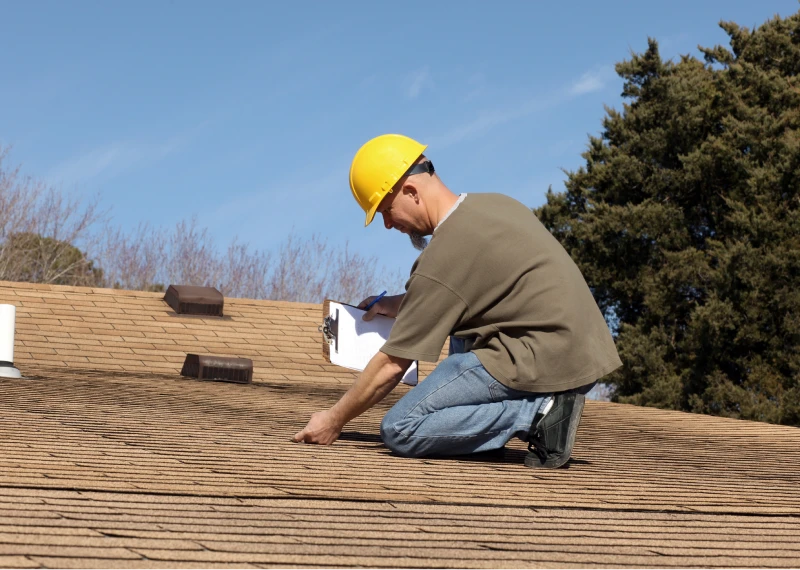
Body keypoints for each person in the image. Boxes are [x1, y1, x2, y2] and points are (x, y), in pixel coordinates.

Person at [292, 134, 622, 468]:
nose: (389, 225)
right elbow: (468, 288)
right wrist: (400, 303)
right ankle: (484, 437)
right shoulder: (494, 206)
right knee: (461, 328)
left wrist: (334, 419)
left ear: (410, 191)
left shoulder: (443, 255)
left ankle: (539, 414)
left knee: (400, 428)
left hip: (543, 359)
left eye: (385, 211)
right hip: (579, 351)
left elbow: (392, 364)